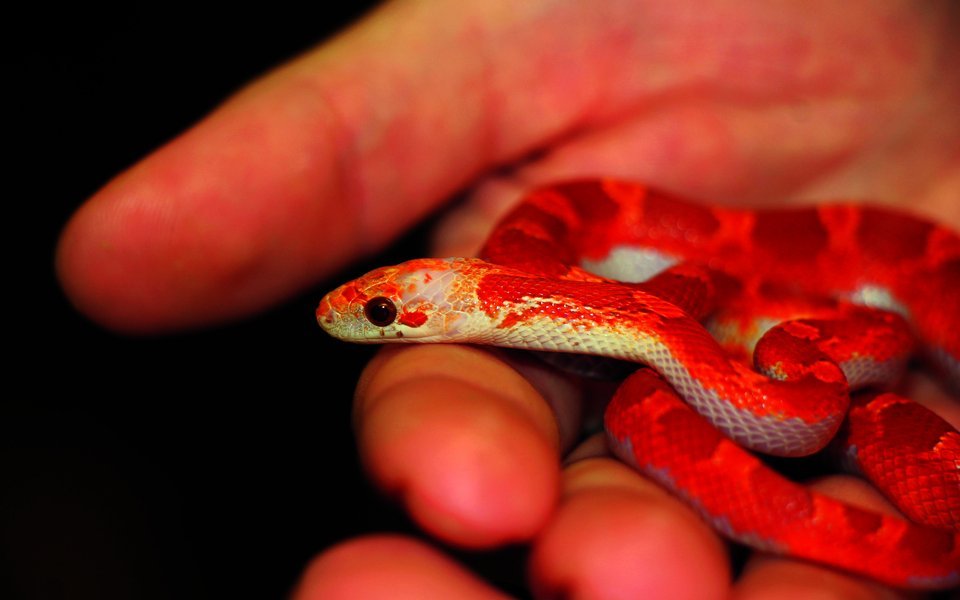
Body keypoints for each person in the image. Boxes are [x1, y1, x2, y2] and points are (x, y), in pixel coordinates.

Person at [57, 1, 960, 597]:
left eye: (383, 311)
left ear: (470, 302)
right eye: (384, 309)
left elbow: (798, 406)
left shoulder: (725, 336)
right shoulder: (635, 314)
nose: (360, 318)